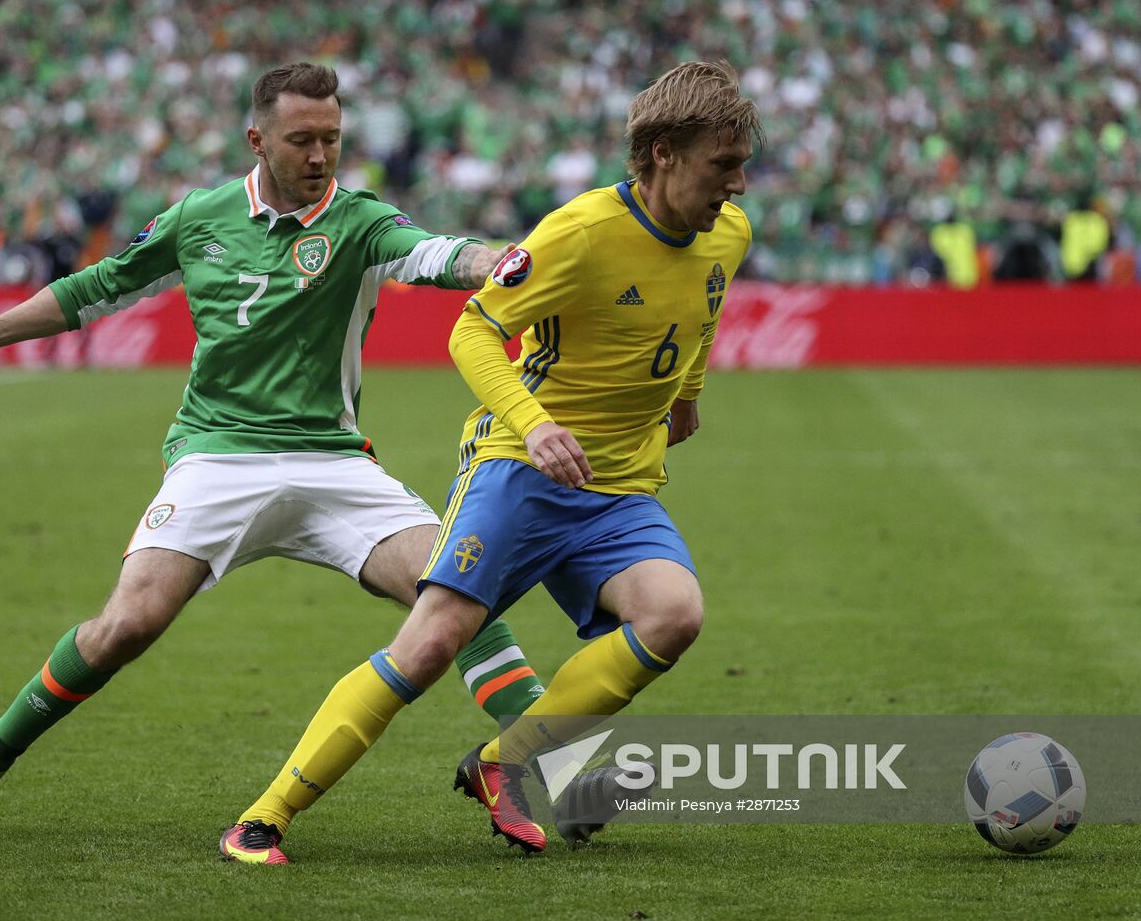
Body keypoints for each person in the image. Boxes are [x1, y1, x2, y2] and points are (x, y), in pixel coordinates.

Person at [0, 62, 561, 838]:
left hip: (333, 462)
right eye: (302, 140)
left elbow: (437, 254)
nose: (321, 156)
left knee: (456, 587)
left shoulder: (359, 221)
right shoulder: (201, 217)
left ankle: (552, 762)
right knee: (126, 625)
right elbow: (93, 288)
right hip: (217, 456)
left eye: (333, 139)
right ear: (257, 139)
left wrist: (497, 260)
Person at [219, 61, 761, 864]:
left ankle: (504, 761)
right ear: (662, 155)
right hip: (519, 467)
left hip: (617, 486)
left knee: (674, 612)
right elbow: (471, 330)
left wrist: (687, 394)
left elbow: (701, 310)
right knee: (433, 642)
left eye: (741, 163)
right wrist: (535, 424)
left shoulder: (730, 232)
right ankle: (263, 816)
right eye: (722, 164)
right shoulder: (578, 234)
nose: (737, 182)